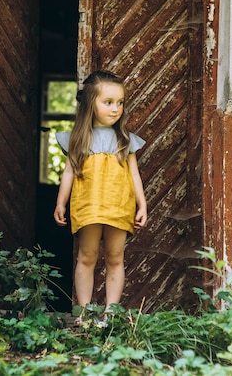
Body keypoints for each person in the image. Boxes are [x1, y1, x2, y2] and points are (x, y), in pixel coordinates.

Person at [53, 70, 147, 323]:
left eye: (120, 102)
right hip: (88, 207)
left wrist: (142, 204)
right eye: (108, 102)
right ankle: (83, 313)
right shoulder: (78, 139)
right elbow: (69, 173)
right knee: (87, 256)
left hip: (118, 207)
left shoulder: (125, 139)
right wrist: (61, 203)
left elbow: (134, 175)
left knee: (116, 258)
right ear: (89, 104)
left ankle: (110, 314)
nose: (116, 109)